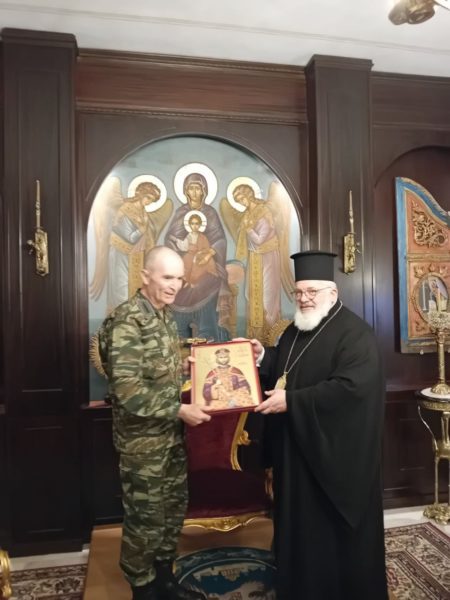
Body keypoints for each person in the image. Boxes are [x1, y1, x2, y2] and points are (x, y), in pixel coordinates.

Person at [251, 250, 388, 600]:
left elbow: (352, 390)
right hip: (295, 453)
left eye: (312, 291)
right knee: (297, 531)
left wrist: (292, 402)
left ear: (332, 293)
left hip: (334, 464)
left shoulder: (355, 335)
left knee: (329, 542)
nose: (304, 299)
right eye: (298, 292)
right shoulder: (295, 329)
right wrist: (262, 356)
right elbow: (285, 369)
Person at [98, 245, 211, 600]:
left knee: (171, 512)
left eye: (179, 278)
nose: (175, 285)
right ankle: (143, 589)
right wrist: (179, 410)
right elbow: (128, 391)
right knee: (145, 520)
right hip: (142, 445)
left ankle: (165, 581)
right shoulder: (127, 322)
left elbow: (158, 373)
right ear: (145, 276)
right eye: (167, 277)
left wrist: (191, 370)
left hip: (170, 439)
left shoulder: (162, 315)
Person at [165, 172, 231, 340]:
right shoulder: (181, 213)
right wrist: (180, 250)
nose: (194, 192)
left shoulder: (210, 213)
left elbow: (220, 240)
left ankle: (208, 333)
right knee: (180, 286)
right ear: (186, 191)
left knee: (207, 282)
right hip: (184, 263)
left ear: (204, 191)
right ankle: (180, 334)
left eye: (198, 188)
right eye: (191, 188)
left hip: (207, 264)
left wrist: (210, 252)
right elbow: (171, 239)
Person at [233, 184, 281, 339]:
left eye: (242, 198)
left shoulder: (264, 211)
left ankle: (268, 335)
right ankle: (255, 334)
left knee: (267, 296)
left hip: (267, 259)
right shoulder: (247, 214)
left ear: (249, 195)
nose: (241, 203)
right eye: (238, 201)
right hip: (254, 258)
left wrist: (248, 230)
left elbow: (260, 239)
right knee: (251, 294)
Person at [170, 212, 218, 287]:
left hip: (201, 256)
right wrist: (176, 240)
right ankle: (187, 281)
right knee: (187, 263)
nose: (194, 226)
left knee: (208, 262)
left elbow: (207, 248)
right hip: (190, 255)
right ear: (190, 225)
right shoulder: (188, 236)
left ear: (200, 225)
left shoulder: (203, 237)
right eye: (192, 224)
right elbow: (184, 246)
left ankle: (197, 282)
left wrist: (201, 253)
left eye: (196, 224)